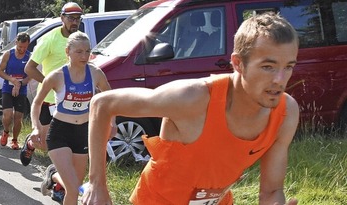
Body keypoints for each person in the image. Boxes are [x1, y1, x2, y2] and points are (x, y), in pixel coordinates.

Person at [81, 12, 300, 205]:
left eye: (288, 67)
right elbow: (102, 103)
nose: (280, 80)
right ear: (237, 63)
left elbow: (271, 191)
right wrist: (97, 184)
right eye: (268, 67)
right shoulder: (193, 98)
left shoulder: (285, 113)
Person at [31, 32, 110, 204]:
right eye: (79, 52)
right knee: (74, 187)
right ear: (68, 51)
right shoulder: (56, 76)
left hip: (82, 132)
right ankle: (53, 175)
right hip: (60, 132)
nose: (84, 56)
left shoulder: (96, 74)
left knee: (73, 190)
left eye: (87, 51)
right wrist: (36, 127)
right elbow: (36, 103)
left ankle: (53, 177)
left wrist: (112, 122)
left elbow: (110, 99)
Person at [21, 2, 84, 166]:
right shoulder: (50, 39)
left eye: (78, 18)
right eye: (71, 18)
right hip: (48, 98)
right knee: (44, 142)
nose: (75, 22)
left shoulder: (81, 40)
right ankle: (30, 143)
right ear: (62, 18)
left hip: (70, 99)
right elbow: (29, 68)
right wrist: (49, 83)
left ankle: (58, 180)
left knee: (65, 142)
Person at [0, 32, 31, 150]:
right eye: (20, 47)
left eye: (24, 47)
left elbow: (30, 75)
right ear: (16, 43)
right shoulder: (8, 54)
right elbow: (0, 71)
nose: (22, 49)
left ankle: (15, 140)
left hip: (21, 89)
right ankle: (6, 131)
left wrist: (20, 83)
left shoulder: (29, 56)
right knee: (7, 115)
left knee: (18, 117)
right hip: (7, 88)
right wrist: (12, 80)